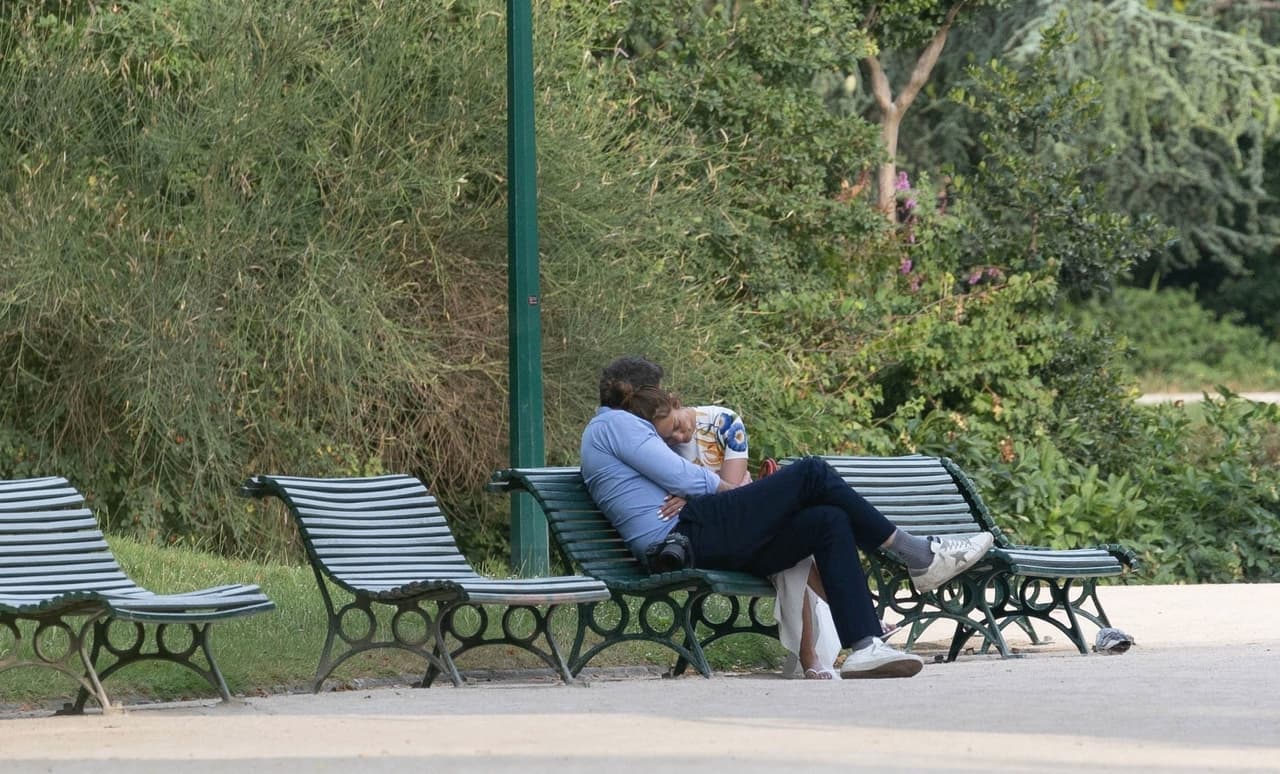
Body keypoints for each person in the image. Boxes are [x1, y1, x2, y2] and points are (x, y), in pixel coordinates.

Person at [580, 355, 994, 679]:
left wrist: (694, 490)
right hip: (681, 538)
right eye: (653, 389)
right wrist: (735, 493)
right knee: (812, 473)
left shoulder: (622, 428)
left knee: (827, 519)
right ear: (632, 393)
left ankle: (865, 646)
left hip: (697, 535)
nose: (658, 397)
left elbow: (673, 479)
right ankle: (915, 554)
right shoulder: (615, 424)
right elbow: (678, 476)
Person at [620, 386, 844, 680]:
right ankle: (844, 622)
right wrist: (712, 489)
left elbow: (731, 496)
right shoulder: (656, 447)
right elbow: (720, 490)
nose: (678, 437)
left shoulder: (724, 423)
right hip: (707, 537)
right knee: (790, 544)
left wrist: (692, 494)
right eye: (669, 437)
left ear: (677, 402)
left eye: (676, 426)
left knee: (794, 549)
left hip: (737, 519)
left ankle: (816, 647)